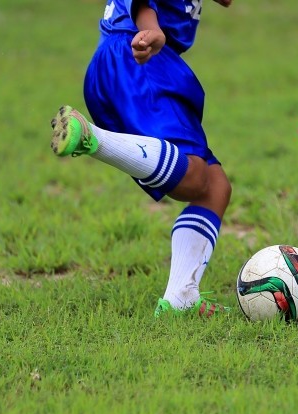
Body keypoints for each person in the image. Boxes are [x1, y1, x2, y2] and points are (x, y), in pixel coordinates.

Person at [49, 0, 234, 317]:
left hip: (122, 59)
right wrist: (151, 26)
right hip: (139, 59)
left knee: (215, 187)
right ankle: (93, 138)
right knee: (194, 179)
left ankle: (181, 298)